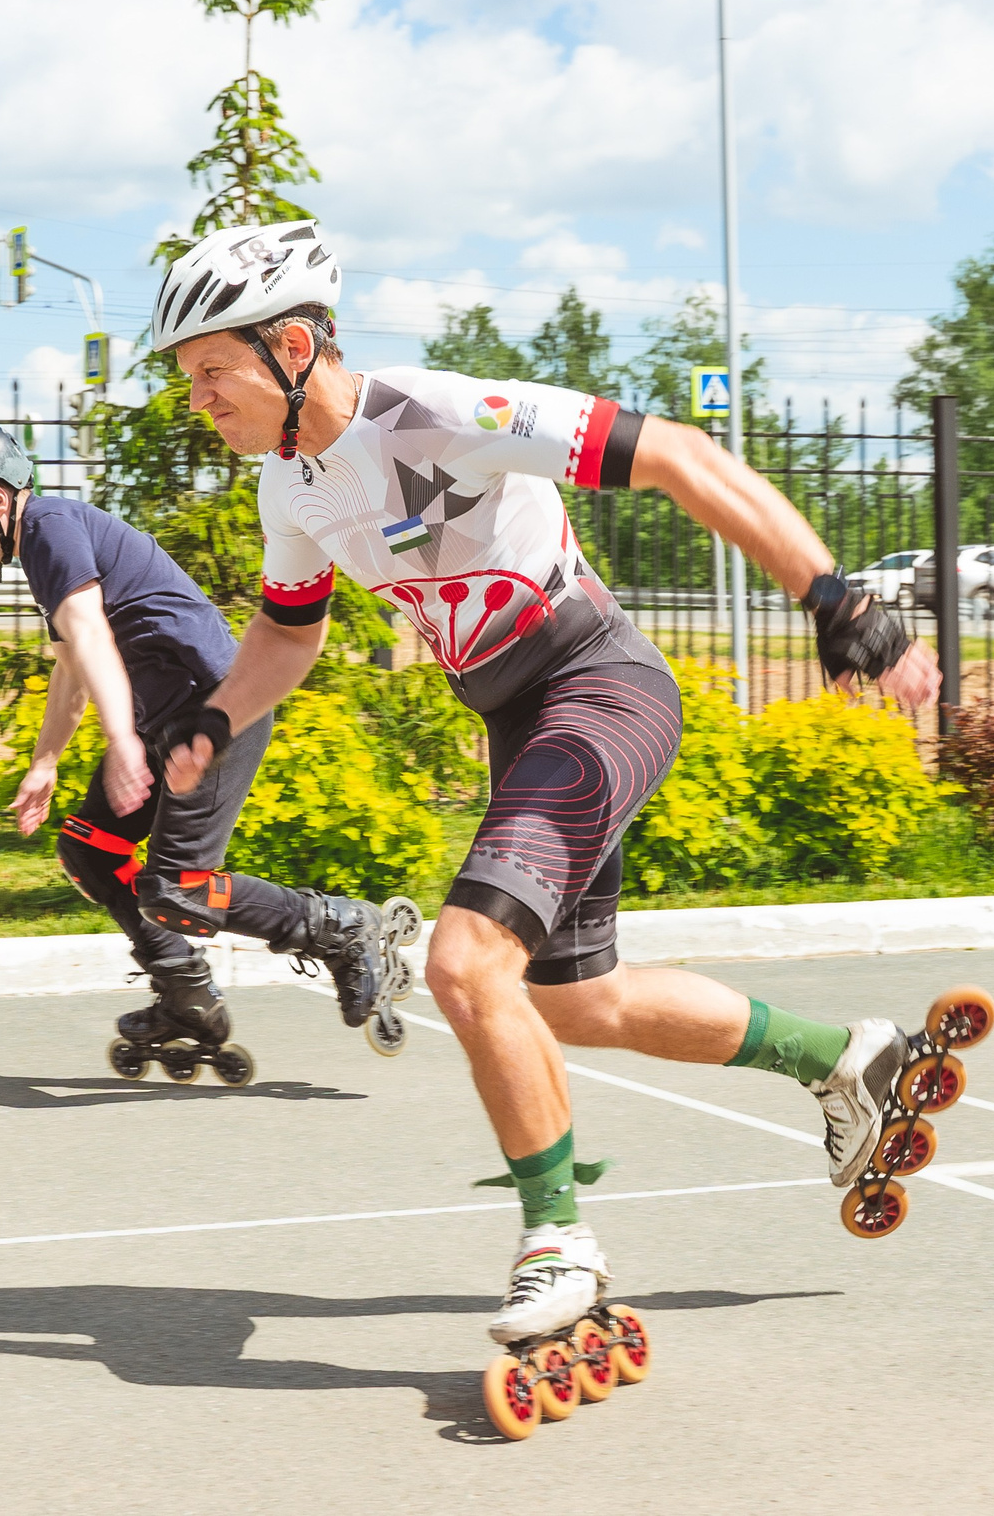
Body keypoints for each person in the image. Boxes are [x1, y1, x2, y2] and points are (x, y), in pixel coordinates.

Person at [149, 223, 945, 1343]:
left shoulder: (430, 415)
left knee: (466, 963)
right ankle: (842, 1058)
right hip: (519, 725)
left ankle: (557, 1242)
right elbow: (291, 633)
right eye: (189, 380)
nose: (198, 401)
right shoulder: (290, 487)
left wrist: (834, 598)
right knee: (573, 1002)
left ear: (289, 345)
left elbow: (674, 453)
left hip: (597, 684)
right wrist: (213, 715)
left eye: (210, 373)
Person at [0, 422, 412, 1079]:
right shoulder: (46, 545)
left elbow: (90, 634)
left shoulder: (51, 529)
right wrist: (46, 760)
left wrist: (122, 740)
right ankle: (186, 994)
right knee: (91, 849)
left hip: (215, 713)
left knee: (180, 888)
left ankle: (342, 927)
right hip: (166, 722)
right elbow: (71, 665)